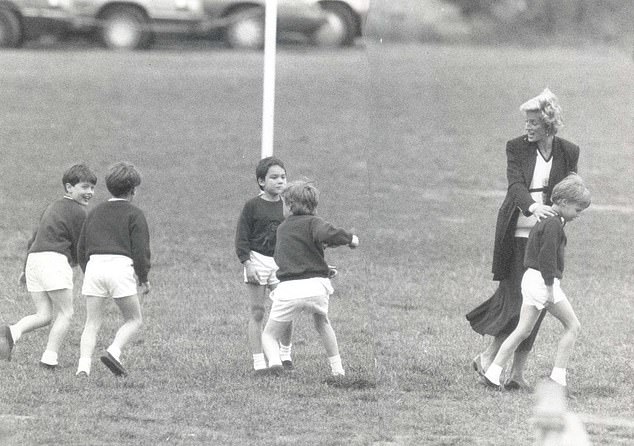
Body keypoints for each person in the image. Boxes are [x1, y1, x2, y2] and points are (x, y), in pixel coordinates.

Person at [466, 88, 580, 391]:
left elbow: (571, 187)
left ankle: (516, 374)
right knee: (517, 301)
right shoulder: (515, 147)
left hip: (547, 235)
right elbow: (515, 185)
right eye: (526, 122)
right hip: (516, 230)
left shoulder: (569, 151)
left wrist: (564, 211)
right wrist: (533, 207)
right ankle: (488, 357)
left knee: (538, 305)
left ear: (548, 123)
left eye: (533, 122)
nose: (527, 127)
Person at [483, 174, 590, 390]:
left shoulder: (545, 221)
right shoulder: (553, 225)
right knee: (573, 326)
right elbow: (547, 258)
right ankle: (558, 379)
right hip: (543, 281)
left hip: (530, 279)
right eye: (578, 210)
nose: (579, 215)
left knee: (522, 330)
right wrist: (550, 288)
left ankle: (493, 372)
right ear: (563, 203)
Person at [0, 164, 97, 366]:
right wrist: (89, 272)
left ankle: (12, 332)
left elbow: (33, 239)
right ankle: (49, 357)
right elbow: (82, 246)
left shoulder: (52, 207)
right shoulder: (80, 213)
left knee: (43, 315)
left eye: (92, 188)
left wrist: (24, 269)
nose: (90, 192)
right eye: (85, 187)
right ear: (69, 187)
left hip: (34, 260)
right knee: (66, 313)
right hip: (54, 261)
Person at [261, 181, 359, 377]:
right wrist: (350, 239)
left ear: (288, 206)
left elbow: (281, 258)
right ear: (314, 205)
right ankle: (338, 370)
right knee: (322, 322)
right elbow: (327, 234)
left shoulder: (282, 229)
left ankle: (275, 365)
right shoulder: (314, 223)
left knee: (269, 335)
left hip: (289, 290)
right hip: (317, 287)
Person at [75, 162, 151, 377]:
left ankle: (83, 367)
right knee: (134, 319)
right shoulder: (135, 214)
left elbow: (82, 247)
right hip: (119, 269)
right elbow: (141, 250)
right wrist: (143, 277)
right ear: (133, 190)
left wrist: (86, 270)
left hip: (94, 267)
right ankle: (114, 351)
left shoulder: (95, 212)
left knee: (91, 323)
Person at [235, 157, 294, 373]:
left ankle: (285, 355)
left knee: (285, 309)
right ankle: (259, 361)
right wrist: (247, 263)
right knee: (258, 312)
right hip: (258, 260)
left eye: (283, 177)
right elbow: (242, 237)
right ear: (261, 181)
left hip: (281, 264)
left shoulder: (288, 205)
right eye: (274, 177)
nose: (280, 182)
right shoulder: (252, 206)